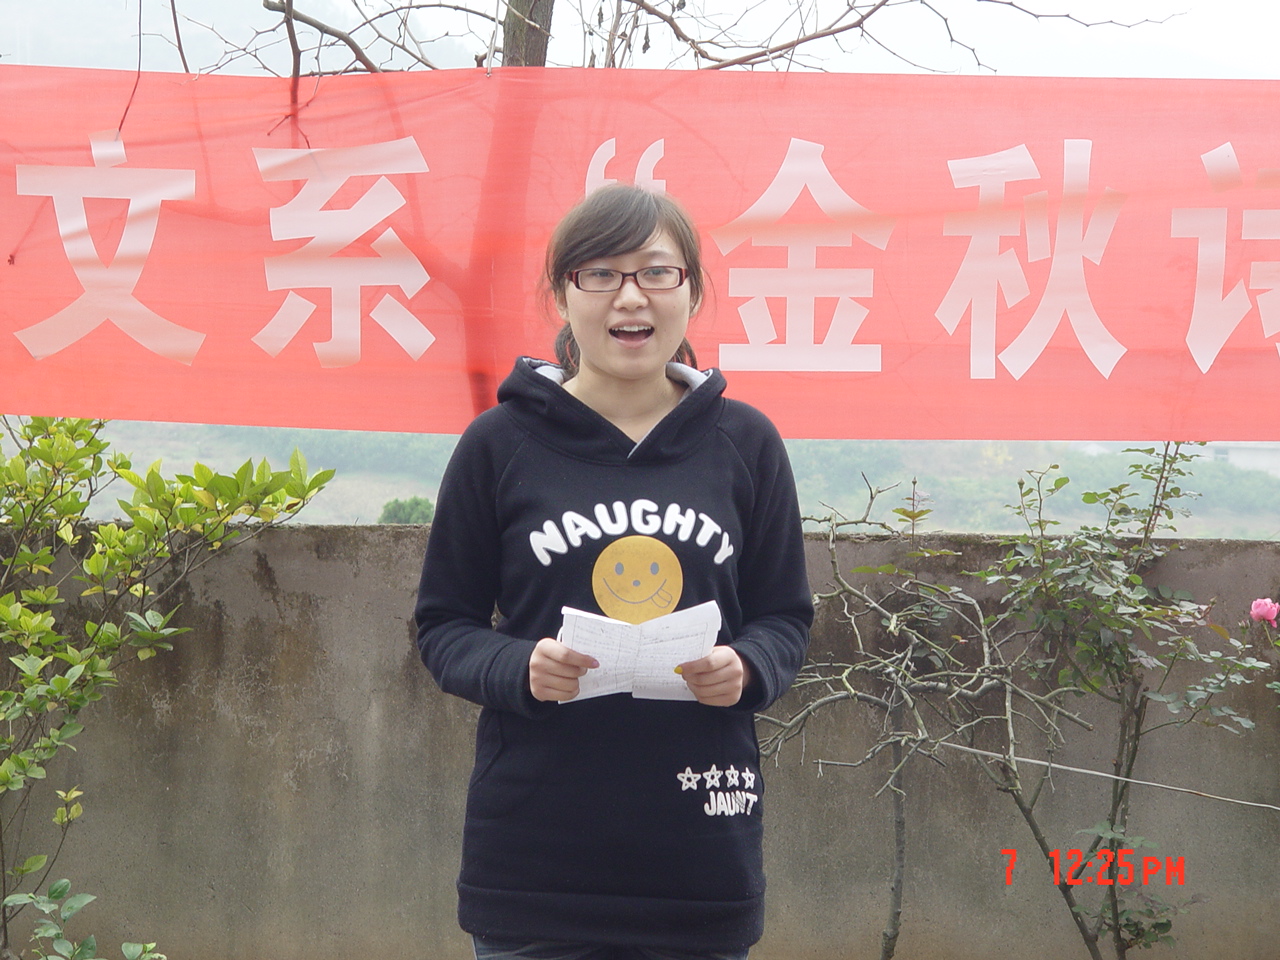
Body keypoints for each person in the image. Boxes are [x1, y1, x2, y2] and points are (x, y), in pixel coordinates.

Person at [414, 184, 812, 960]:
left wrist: (747, 667)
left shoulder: (745, 444)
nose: (631, 296)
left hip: (699, 854)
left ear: (692, 290)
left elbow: (785, 617)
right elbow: (444, 627)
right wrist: (520, 667)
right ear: (564, 294)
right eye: (601, 274)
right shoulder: (499, 445)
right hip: (534, 864)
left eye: (656, 272)